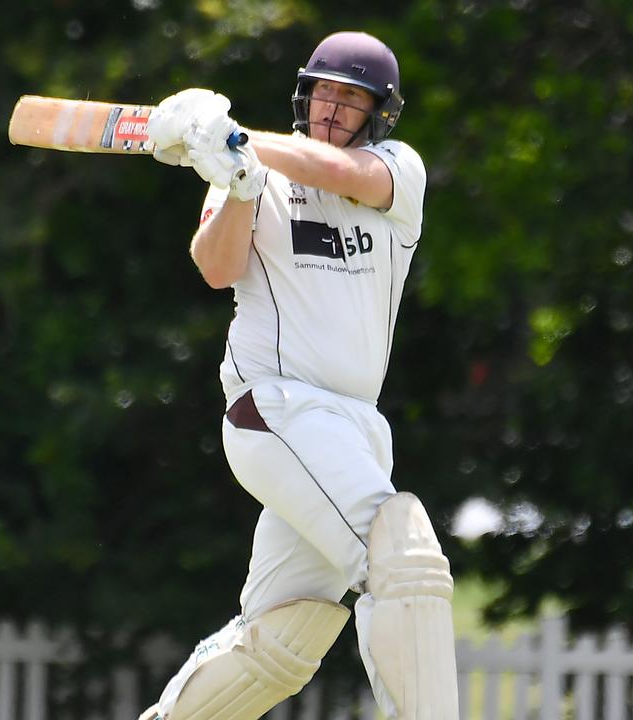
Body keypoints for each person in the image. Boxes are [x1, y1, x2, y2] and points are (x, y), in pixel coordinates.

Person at [139, 30, 459, 720]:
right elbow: (216, 267)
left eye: (350, 100)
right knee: (401, 560)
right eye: (322, 94)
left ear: (379, 113)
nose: (331, 110)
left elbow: (339, 173)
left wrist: (235, 142)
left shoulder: (397, 170)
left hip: (354, 429)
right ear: (303, 94)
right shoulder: (250, 174)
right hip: (277, 411)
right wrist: (241, 183)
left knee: (281, 639)